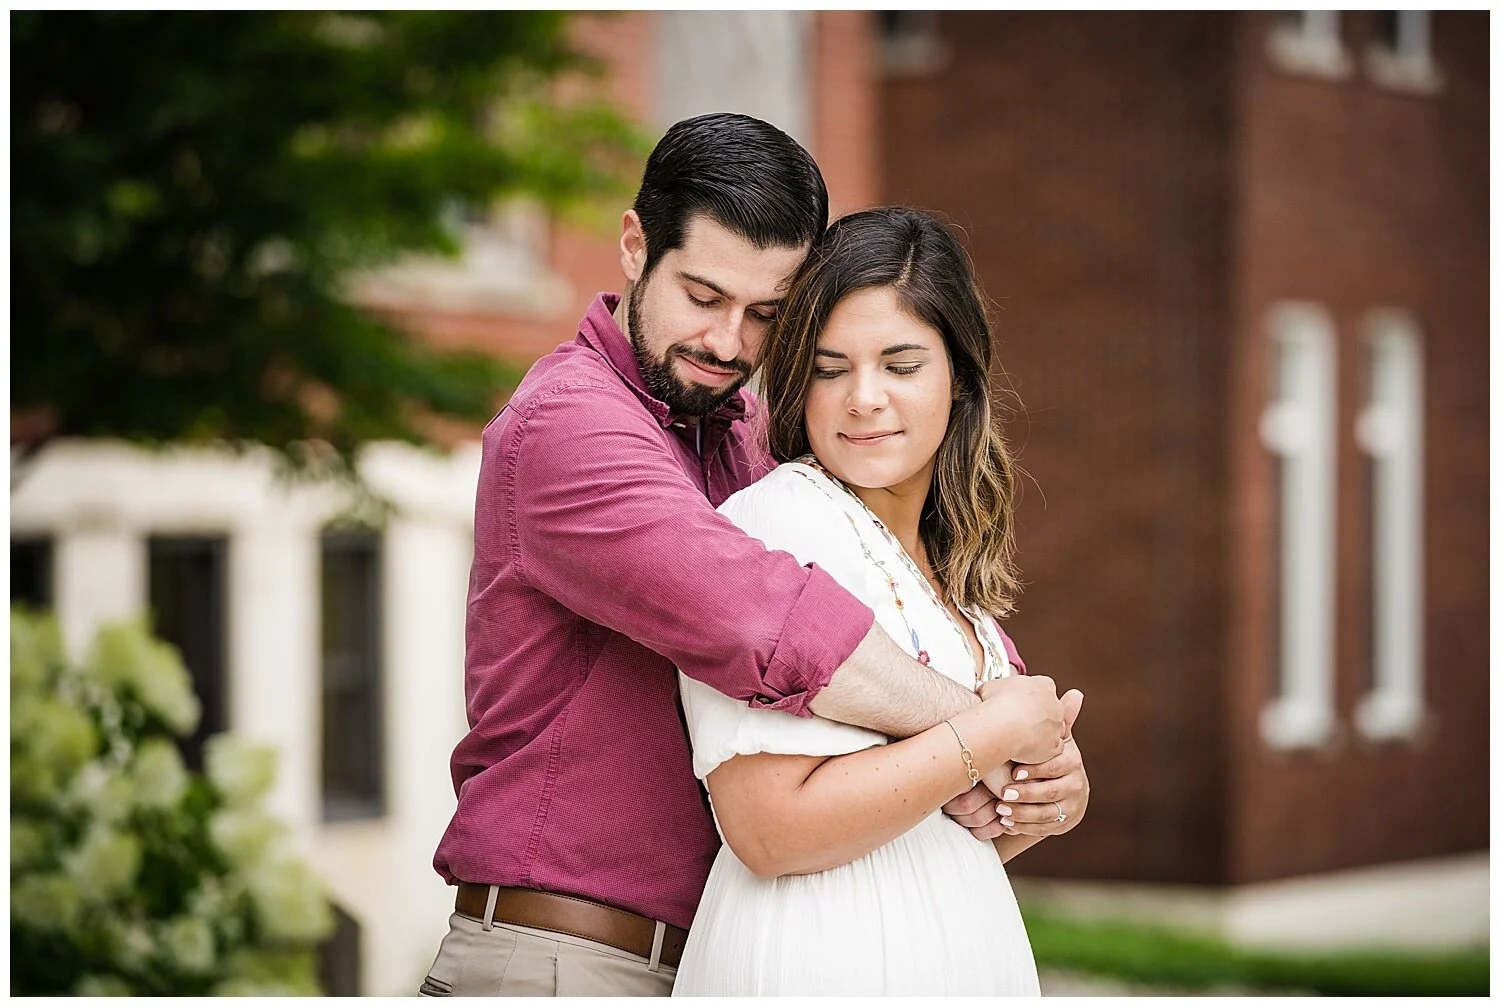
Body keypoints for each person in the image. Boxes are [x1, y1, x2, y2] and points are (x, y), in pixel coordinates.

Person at [421, 114, 1090, 997]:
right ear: (634, 245)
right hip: (562, 958)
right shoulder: (569, 428)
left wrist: (1038, 783)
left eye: (766, 314)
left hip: (709, 953)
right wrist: (987, 730)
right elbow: (760, 618)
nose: (729, 343)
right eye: (703, 296)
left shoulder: (743, 439)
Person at [672, 206, 1079, 995]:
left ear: (958, 375)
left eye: (900, 364)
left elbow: (933, 827)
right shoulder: (777, 523)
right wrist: (989, 730)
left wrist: (1049, 798)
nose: (863, 398)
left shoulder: (952, 578)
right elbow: (767, 829)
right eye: (830, 368)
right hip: (818, 963)